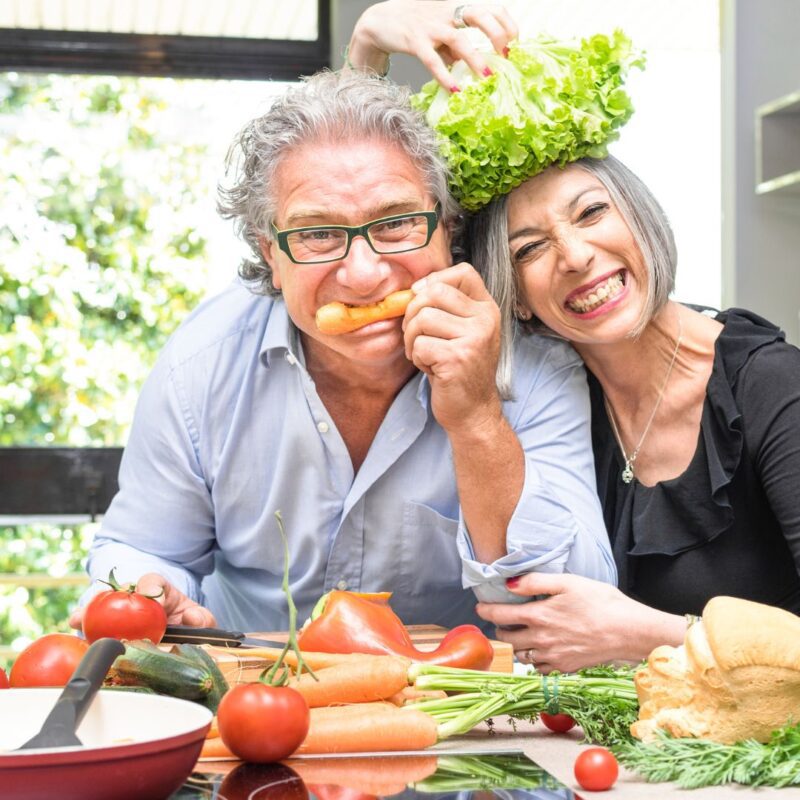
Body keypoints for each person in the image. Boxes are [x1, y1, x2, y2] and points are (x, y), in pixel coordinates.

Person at [69, 69, 615, 636]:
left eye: (398, 223)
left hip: (452, 707)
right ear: (270, 255)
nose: (362, 275)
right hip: (251, 697)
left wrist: (478, 418)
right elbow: (145, 549)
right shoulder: (200, 366)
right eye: (318, 235)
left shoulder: (535, 365)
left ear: (446, 229)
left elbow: (574, 608)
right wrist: (150, 591)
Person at [348, 1, 800, 672]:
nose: (576, 255)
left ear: (641, 216)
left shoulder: (771, 387)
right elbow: (366, 231)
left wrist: (656, 635)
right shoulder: (546, 396)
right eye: (530, 248)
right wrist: (367, 45)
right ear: (517, 300)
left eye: (591, 213)